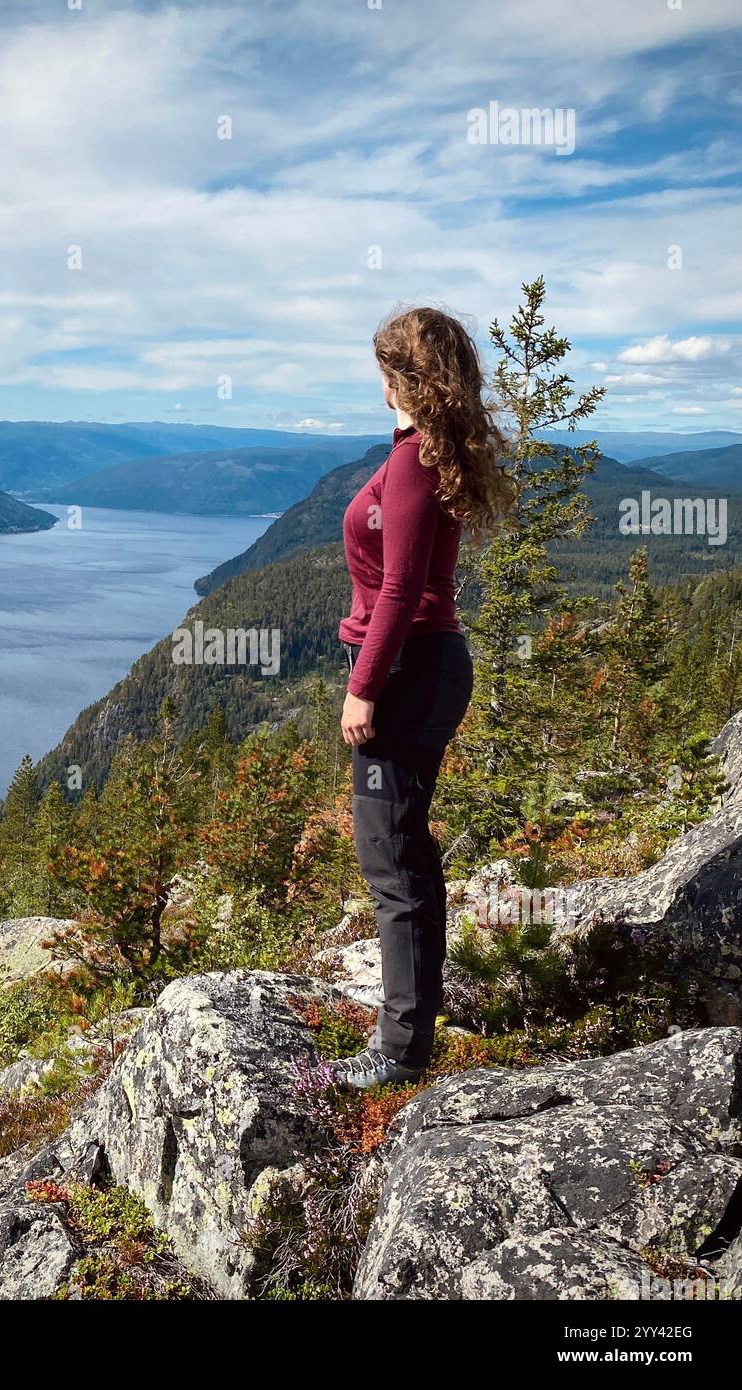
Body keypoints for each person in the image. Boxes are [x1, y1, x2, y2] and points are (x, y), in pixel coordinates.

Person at [326, 306, 514, 1090]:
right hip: (430, 664)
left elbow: (400, 589)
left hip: (406, 671)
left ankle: (399, 1052)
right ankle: (408, 1033)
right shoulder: (431, 456)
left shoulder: (409, 462)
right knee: (404, 854)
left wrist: (361, 689)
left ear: (397, 374)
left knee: (390, 859)